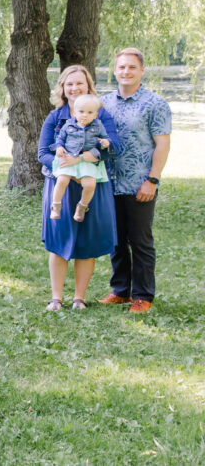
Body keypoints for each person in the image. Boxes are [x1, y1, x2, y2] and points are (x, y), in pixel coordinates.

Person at [37, 64, 121, 311]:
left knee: (87, 242)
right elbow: (42, 153)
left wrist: (82, 161)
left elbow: (114, 147)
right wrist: (65, 167)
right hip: (60, 185)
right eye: (69, 83)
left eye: (79, 83)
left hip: (91, 185)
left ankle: (79, 298)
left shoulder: (100, 115)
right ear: (62, 88)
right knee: (59, 240)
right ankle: (56, 297)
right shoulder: (55, 118)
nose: (74, 88)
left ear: (88, 86)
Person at [98, 48, 171, 314]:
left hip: (140, 182)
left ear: (141, 70)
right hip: (109, 182)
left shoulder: (155, 104)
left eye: (131, 67)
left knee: (140, 241)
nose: (126, 71)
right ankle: (120, 291)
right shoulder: (103, 103)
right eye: (121, 67)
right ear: (115, 71)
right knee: (115, 240)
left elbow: (162, 144)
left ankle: (142, 295)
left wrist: (152, 179)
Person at [49, 93, 111, 222]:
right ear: (75, 113)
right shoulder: (68, 125)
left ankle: (82, 206)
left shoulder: (98, 126)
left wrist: (105, 143)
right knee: (62, 180)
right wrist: (59, 147)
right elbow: (60, 139)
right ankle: (56, 205)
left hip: (87, 159)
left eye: (89, 112)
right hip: (69, 157)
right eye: (81, 111)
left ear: (95, 115)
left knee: (90, 184)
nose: (84, 115)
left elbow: (105, 138)